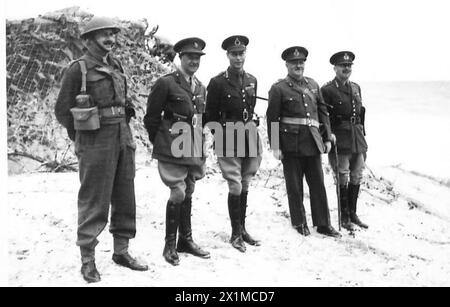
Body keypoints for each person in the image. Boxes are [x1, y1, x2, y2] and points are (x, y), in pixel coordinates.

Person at [55, 16, 148, 283]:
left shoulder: (116, 64)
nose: (110, 38)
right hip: (95, 141)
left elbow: (123, 99)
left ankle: (121, 252)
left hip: (122, 136)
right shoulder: (78, 69)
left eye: (112, 34)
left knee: (125, 195)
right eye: (103, 34)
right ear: (88, 39)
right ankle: (88, 261)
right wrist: (82, 138)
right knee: (94, 199)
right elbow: (62, 110)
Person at [143, 37, 210, 266]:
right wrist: (161, 140)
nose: (194, 61)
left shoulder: (200, 87)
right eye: (190, 57)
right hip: (171, 144)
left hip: (192, 145)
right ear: (180, 57)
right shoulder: (167, 83)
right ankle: (169, 245)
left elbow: (200, 119)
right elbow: (151, 118)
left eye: (198, 57)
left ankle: (186, 240)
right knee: (178, 192)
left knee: (189, 190)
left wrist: (201, 147)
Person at [266, 46, 341, 238]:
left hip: (314, 142)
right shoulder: (279, 88)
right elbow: (272, 118)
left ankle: (323, 224)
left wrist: (328, 137)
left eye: (301, 62)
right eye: (294, 63)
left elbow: (323, 112)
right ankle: (299, 223)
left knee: (318, 185)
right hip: (291, 144)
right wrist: (275, 146)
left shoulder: (313, 85)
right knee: (295, 186)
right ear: (287, 65)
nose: (298, 65)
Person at [205, 35, 262, 253]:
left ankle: (243, 229)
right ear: (227, 55)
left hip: (248, 134)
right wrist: (220, 135)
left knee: (246, 182)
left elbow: (251, 108)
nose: (238, 57)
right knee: (235, 184)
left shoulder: (252, 80)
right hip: (228, 135)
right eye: (234, 54)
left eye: (241, 53)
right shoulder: (218, 82)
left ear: (245, 54)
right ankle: (235, 234)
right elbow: (209, 116)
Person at [321, 51, 369, 230]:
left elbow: (361, 114)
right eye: (343, 66)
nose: (346, 68)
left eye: (349, 66)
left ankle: (353, 214)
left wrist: (364, 137)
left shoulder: (356, 87)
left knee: (357, 175)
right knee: (342, 176)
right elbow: (323, 116)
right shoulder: (327, 90)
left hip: (357, 137)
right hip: (340, 138)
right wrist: (328, 136)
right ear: (335, 68)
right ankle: (344, 216)